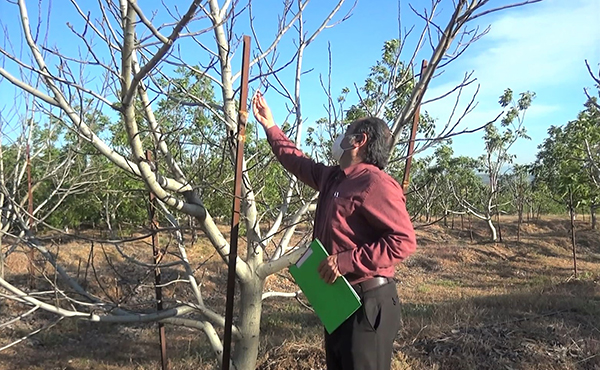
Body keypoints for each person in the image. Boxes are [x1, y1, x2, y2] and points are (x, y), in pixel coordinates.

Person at [252, 91, 417, 370]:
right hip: (338, 302)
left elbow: (402, 241)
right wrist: (271, 126)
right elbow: (297, 161)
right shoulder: (334, 178)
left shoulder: (376, 183)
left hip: (367, 304)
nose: (340, 137)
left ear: (359, 141)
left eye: (347, 132)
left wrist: (345, 261)